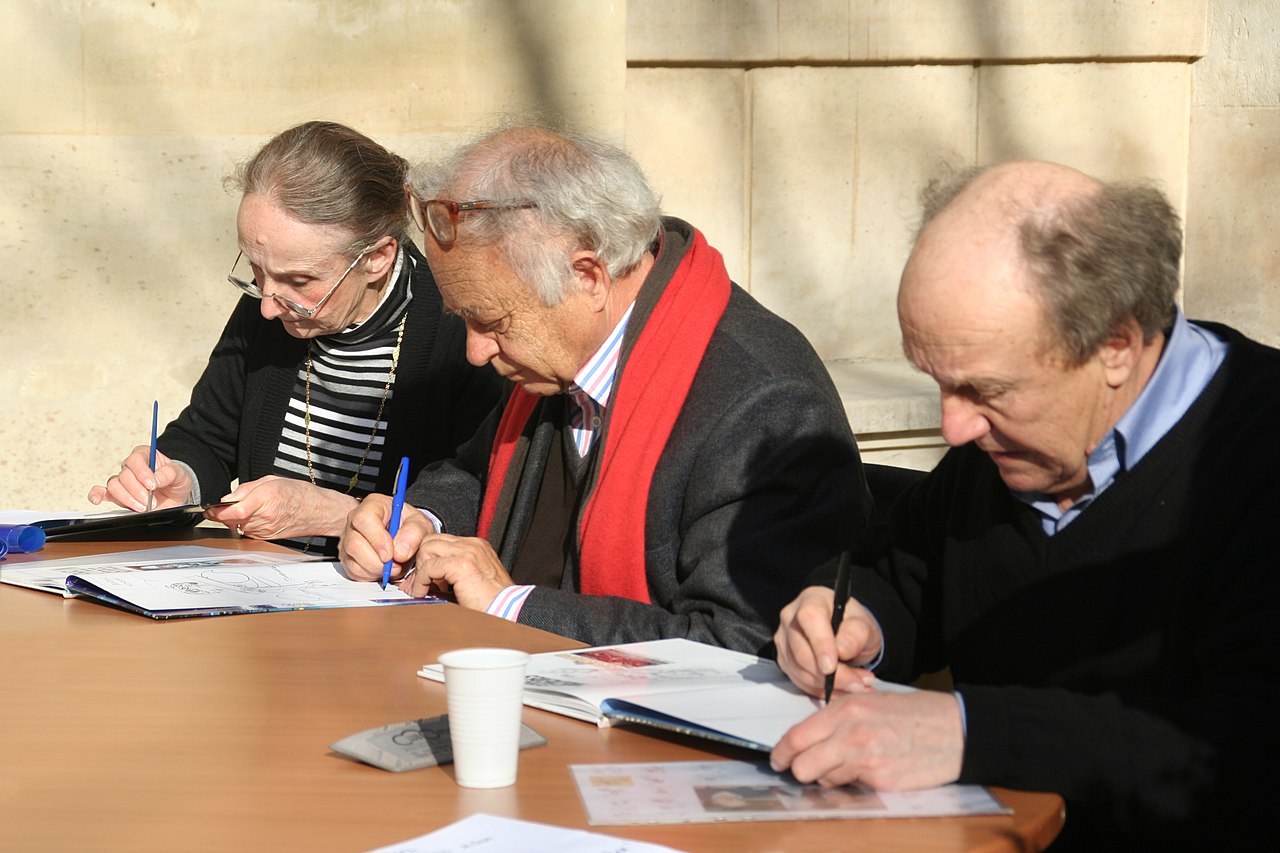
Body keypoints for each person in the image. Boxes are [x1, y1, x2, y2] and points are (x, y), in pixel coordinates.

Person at [769, 160, 1280, 847]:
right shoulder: (1004, 452)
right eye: (938, 383)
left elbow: (1243, 752)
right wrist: (854, 618)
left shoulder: (1253, 457)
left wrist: (972, 733)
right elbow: (908, 571)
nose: (955, 428)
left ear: (1116, 346)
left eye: (987, 390)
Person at [338, 125, 868, 654]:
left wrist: (511, 606)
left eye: (489, 321)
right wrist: (417, 520)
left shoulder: (762, 402)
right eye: (463, 320)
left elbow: (738, 645)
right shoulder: (556, 347)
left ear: (588, 276)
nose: (476, 352)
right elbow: (479, 468)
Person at [88, 121, 504, 551]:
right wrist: (179, 479)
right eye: (255, 269)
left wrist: (337, 515)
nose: (268, 304)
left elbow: (476, 494)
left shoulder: (461, 329)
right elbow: (207, 435)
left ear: (379, 257)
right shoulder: (274, 300)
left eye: (300, 279)